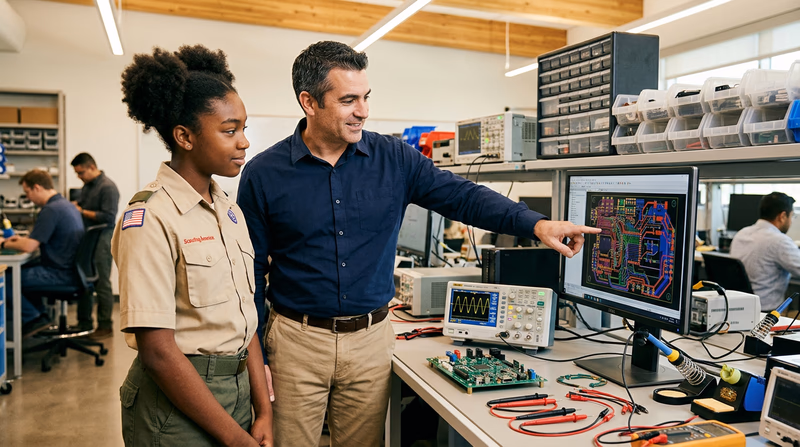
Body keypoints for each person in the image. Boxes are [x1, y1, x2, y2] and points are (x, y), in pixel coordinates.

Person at [237, 40, 600, 446]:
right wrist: (257, 363)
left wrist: (536, 225)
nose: (364, 111)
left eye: (366, 97)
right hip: (295, 342)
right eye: (348, 100)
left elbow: (463, 197)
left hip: (371, 341)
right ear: (309, 102)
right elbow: (247, 277)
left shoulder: (395, 159)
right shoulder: (263, 174)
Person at [113, 45, 272, 447]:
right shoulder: (151, 218)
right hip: (176, 408)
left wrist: (264, 410)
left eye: (244, 128)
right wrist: (236, 440)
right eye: (229, 130)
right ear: (184, 136)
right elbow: (159, 354)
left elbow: (244, 317)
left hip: (237, 394)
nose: (245, 143)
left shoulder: (227, 209)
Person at [1, 169, 84, 336]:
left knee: (8, 279)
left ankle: (34, 319)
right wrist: (17, 240)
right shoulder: (65, 205)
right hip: (69, 270)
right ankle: (40, 317)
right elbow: (35, 241)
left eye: (27, 192)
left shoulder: (51, 210)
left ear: (37, 187)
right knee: (22, 273)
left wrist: (3, 243)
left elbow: (30, 246)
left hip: (58, 273)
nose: (28, 198)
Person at [71, 152, 120, 339]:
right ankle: (84, 323)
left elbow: (108, 217)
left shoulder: (108, 188)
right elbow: (83, 204)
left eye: (81, 173)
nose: (79, 177)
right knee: (84, 277)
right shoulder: (87, 186)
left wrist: (81, 211)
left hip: (103, 236)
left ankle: (105, 326)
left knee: (101, 281)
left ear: (92, 167)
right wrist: (75, 205)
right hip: (88, 236)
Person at [730, 191, 800, 311]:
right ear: (782, 216)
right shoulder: (779, 241)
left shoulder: (741, 233)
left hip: (737, 308)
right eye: (792, 216)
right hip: (766, 314)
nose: (791, 221)